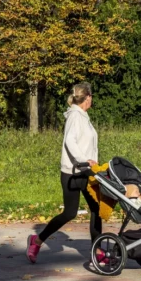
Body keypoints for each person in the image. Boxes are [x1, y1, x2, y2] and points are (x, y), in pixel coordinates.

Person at [26, 82, 103, 264]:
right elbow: (70, 141)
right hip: (73, 172)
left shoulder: (83, 116)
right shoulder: (75, 116)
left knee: (96, 209)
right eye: (91, 97)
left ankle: (97, 251)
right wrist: (83, 160)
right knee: (69, 213)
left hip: (87, 172)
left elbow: (88, 143)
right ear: (88, 97)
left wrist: (92, 164)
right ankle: (36, 241)